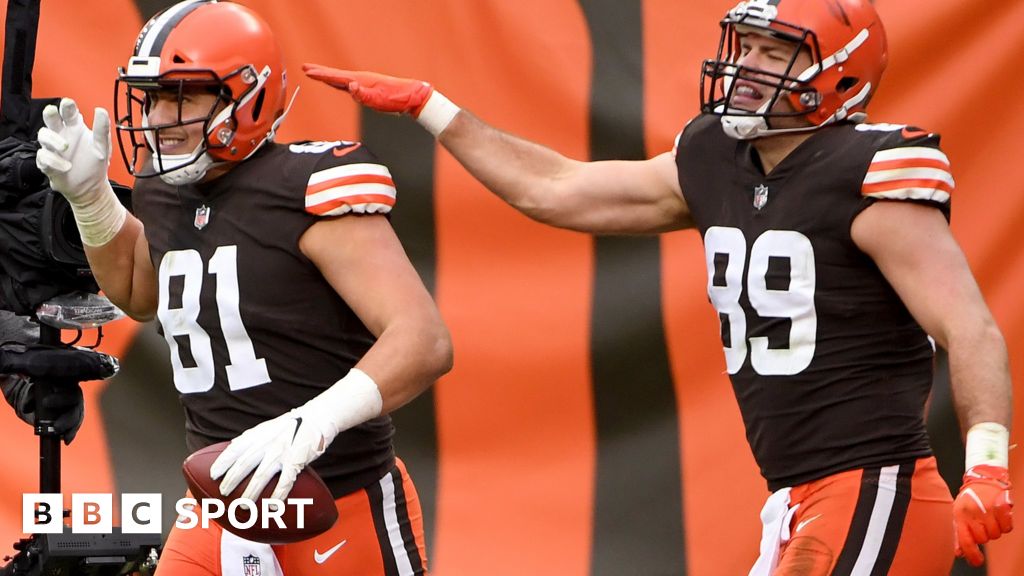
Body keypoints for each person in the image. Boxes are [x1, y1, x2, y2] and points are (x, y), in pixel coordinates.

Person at [302, 0, 1013, 573]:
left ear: (842, 75)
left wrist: (985, 467)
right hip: (798, 499)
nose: (748, 68)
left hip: (874, 486)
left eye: (775, 53)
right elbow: (555, 188)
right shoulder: (715, 158)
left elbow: (968, 326)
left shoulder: (869, 175)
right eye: (747, 48)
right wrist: (434, 108)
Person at [34, 1, 452, 575]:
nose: (157, 118)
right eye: (152, 97)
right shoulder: (164, 189)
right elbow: (137, 289)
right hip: (218, 506)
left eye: (180, 95)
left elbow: (424, 340)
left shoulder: (304, 189)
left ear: (245, 96)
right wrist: (91, 202)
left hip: (337, 501)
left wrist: (314, 420)